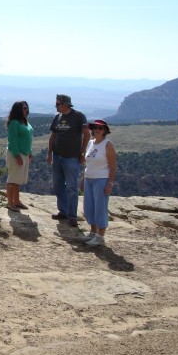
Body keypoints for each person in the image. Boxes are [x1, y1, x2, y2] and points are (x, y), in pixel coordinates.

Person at [47, 94, 90, 227]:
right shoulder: (58, 117)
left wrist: (82, 153)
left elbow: (86, 134)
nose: (56, 106)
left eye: (58, 104)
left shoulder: (78, 116)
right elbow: (53, 136)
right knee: (58, 185)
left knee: (72, 187)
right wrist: (49, 153)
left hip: (72, 157)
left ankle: (72, 216)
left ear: (66, 104)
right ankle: (63, 211)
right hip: (57, 156)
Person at [80, 119, 117, 247]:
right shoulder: (90, 143)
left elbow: (112, 166)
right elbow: (87, 164)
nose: (97, 130)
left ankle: (100, 236)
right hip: (89, 178)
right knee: (89, 206)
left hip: (101, 179)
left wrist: (109, 184)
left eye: (100, 128)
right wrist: (83, 179)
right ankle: (92, 232)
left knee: (100, 207)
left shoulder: (108, 145)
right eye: (95, 127)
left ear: (105, 131)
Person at [5, 101, 33, 211]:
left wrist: (29, 152)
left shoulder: (25, 122)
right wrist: (17, 155)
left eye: (27, 108)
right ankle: (10, 203)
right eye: (24, 108)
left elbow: (28, 138)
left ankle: (16, 201)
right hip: (15, 154)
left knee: (18, 179)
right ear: (18, 110)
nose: (26, 110)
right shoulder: (14, 123)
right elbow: (12, 140)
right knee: (12, 178)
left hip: (24, 153)